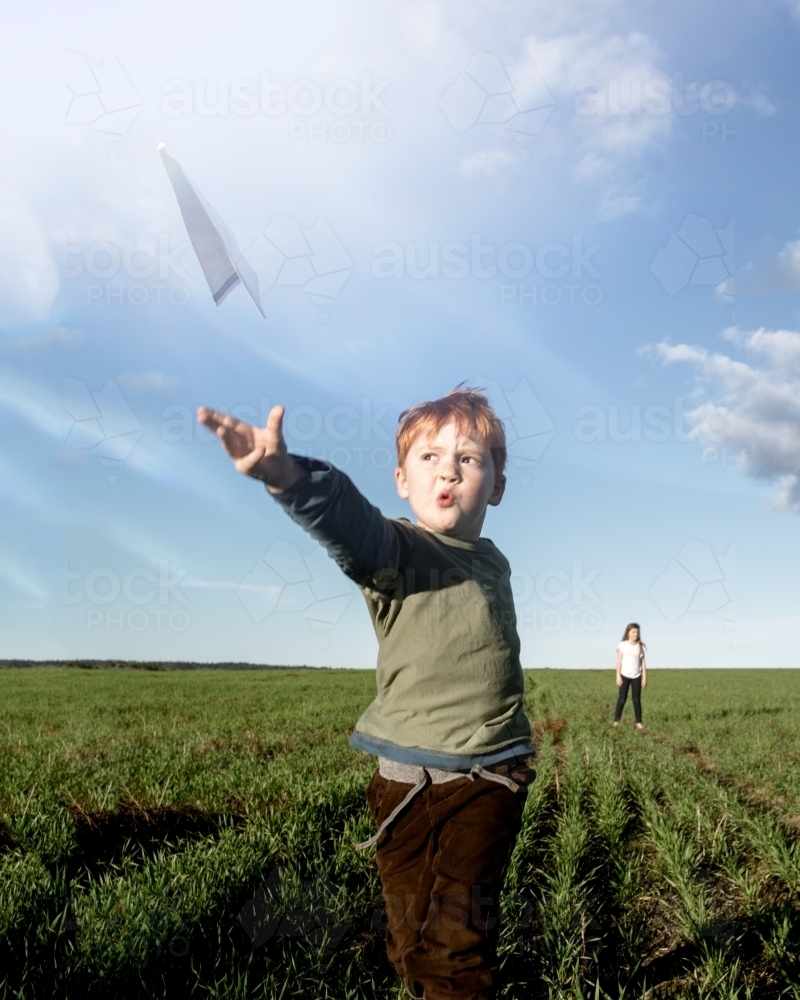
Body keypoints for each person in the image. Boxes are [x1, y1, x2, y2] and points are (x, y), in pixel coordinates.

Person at [197, 387, 536, 1000]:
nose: (449, 471)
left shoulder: (494, 562)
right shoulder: (400, 551)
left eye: (469, 458)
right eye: (430, 458)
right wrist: (287, 477)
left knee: (457, 946)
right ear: (403, 480)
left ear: (498, 485)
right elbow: (351, 527)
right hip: (403, 784)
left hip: (490, 780)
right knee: (408, 946)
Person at [613, 623, 647, 730]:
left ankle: (638, 722)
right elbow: (619, 661)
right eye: (633, 632)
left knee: (636, 700)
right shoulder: (623, 645)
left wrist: (644, 677)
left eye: (637, 632)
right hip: (624, 675)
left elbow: (643, 663)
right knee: (622, 699)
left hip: (636, 676)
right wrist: (618, 676)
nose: (635, 634)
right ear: (628, 633)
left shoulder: (641, 646)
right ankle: (616, 721)